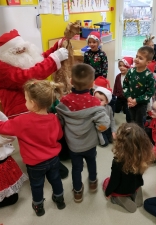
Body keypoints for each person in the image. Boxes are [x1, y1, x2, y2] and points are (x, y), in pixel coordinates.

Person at [0, 79, 66, 217]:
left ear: (33, 103)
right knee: (56, 180)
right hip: (54, 160)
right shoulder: (53, 118)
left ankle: (39, 207)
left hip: (35, 164)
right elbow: (59, 135)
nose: (24, 102)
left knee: (36, 186)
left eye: (26, 100)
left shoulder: (21, 121)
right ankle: (60, 200)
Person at [0, 29, 69, 178]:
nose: (22, 51)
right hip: (21, 109)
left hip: (37, 102)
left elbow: (38, 61)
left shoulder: (19, 57)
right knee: (34, 139)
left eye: (23, 48)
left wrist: (56, 48)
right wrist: (54, 60)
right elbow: (28, 75)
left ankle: (57, 157)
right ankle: (41, 165)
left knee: (49, 131)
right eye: (17, 50)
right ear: (7, 52)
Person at [56, 64, 110, 203]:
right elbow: (104, 124)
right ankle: (92, 182)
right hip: (90, 143)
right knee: (92, 162)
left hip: (73, 144)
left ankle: (78, 192)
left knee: (76, 168)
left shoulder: (64, 101)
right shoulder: (95, 102)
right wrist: (100, 129)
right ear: (93, 84)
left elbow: (60, 121)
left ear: (71, 81)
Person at [103, 123, 154, 213]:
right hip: (136, 184)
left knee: (105, 182)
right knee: (135, 182)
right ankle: (136, 192)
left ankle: (118, 198)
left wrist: (108, 192)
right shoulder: (144, 156)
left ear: (121, 144)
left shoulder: (118, 162)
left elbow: (114, 181)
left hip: (122, 189)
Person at [123, 46, 156, 129]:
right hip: (130, 101)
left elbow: (150, 92)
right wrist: (128, 97)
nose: (137, 59)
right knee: (130, 120)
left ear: (147, 62)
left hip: (141, 104)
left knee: (139, 123)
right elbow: (125, 84)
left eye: (140, 58)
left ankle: (138, 139)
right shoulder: (130, 71)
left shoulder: (149, 76)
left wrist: (137, 100)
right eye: (136, 56)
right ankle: (131, 136)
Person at [113, 57, 133, 123]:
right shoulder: (118, 76)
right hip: (119, 97)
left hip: (127, 98)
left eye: (124, 66)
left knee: (127, 113)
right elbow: (115, 86)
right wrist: (114, 95)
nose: (121, 67)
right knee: (116, 109)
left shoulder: (131, 76)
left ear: (129, 66)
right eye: (120, 66)